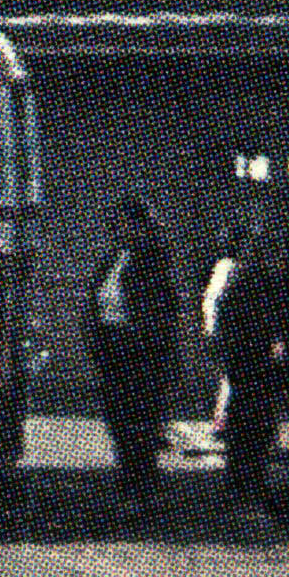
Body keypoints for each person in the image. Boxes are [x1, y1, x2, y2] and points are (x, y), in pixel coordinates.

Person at [205, 214, 289, 550]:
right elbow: (226, 319)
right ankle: (241, 490)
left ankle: (248, 488)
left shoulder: (281, 283)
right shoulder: (242, 281)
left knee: (261, 429)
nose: (270, 257)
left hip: (267, 369)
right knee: (245, 431)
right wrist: (234, 356)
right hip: (248, 365)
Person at [85, 197, 179, 500]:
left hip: (138, 352)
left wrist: (146, 346)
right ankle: (128, 480)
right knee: (118, 420)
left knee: (139, 422)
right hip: (112, 347)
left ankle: (142, 486)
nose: (119, 227)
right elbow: (96, 297)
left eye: (125, 222)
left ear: (139, 225)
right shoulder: (114, 256)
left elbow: (162, 309)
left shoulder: (152, 258)